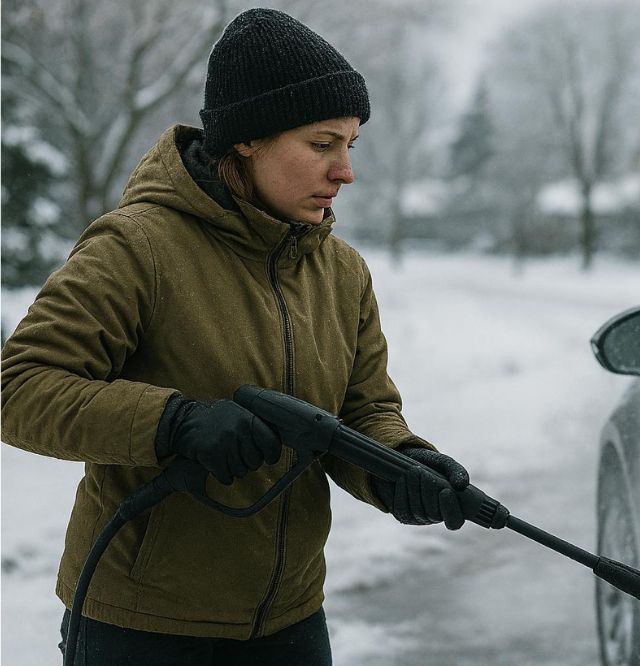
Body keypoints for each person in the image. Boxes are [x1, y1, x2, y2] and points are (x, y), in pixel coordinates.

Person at [0, 8, 469, 665]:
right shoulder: (137, 246)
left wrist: (402, 466)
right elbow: (19, 391)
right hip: (143, 625)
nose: (345, 172)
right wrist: (173, 421)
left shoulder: (342, 273)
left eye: (350, 146)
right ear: (247, 139)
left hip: (292, 620)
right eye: (322, 143)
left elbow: (362, 411)